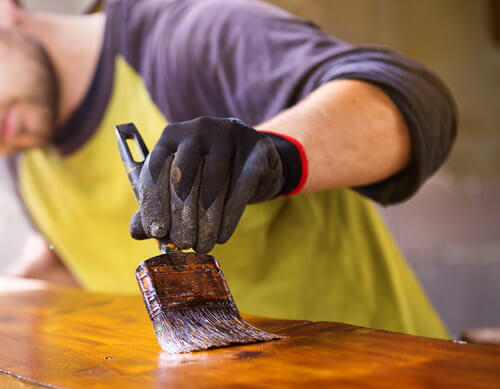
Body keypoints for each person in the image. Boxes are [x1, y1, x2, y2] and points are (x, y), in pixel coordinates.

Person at [0, 0, 457, 339]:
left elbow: (415, 102)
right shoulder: (21, 143)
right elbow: (76, 256)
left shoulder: (188, 38)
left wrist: (277, 153)